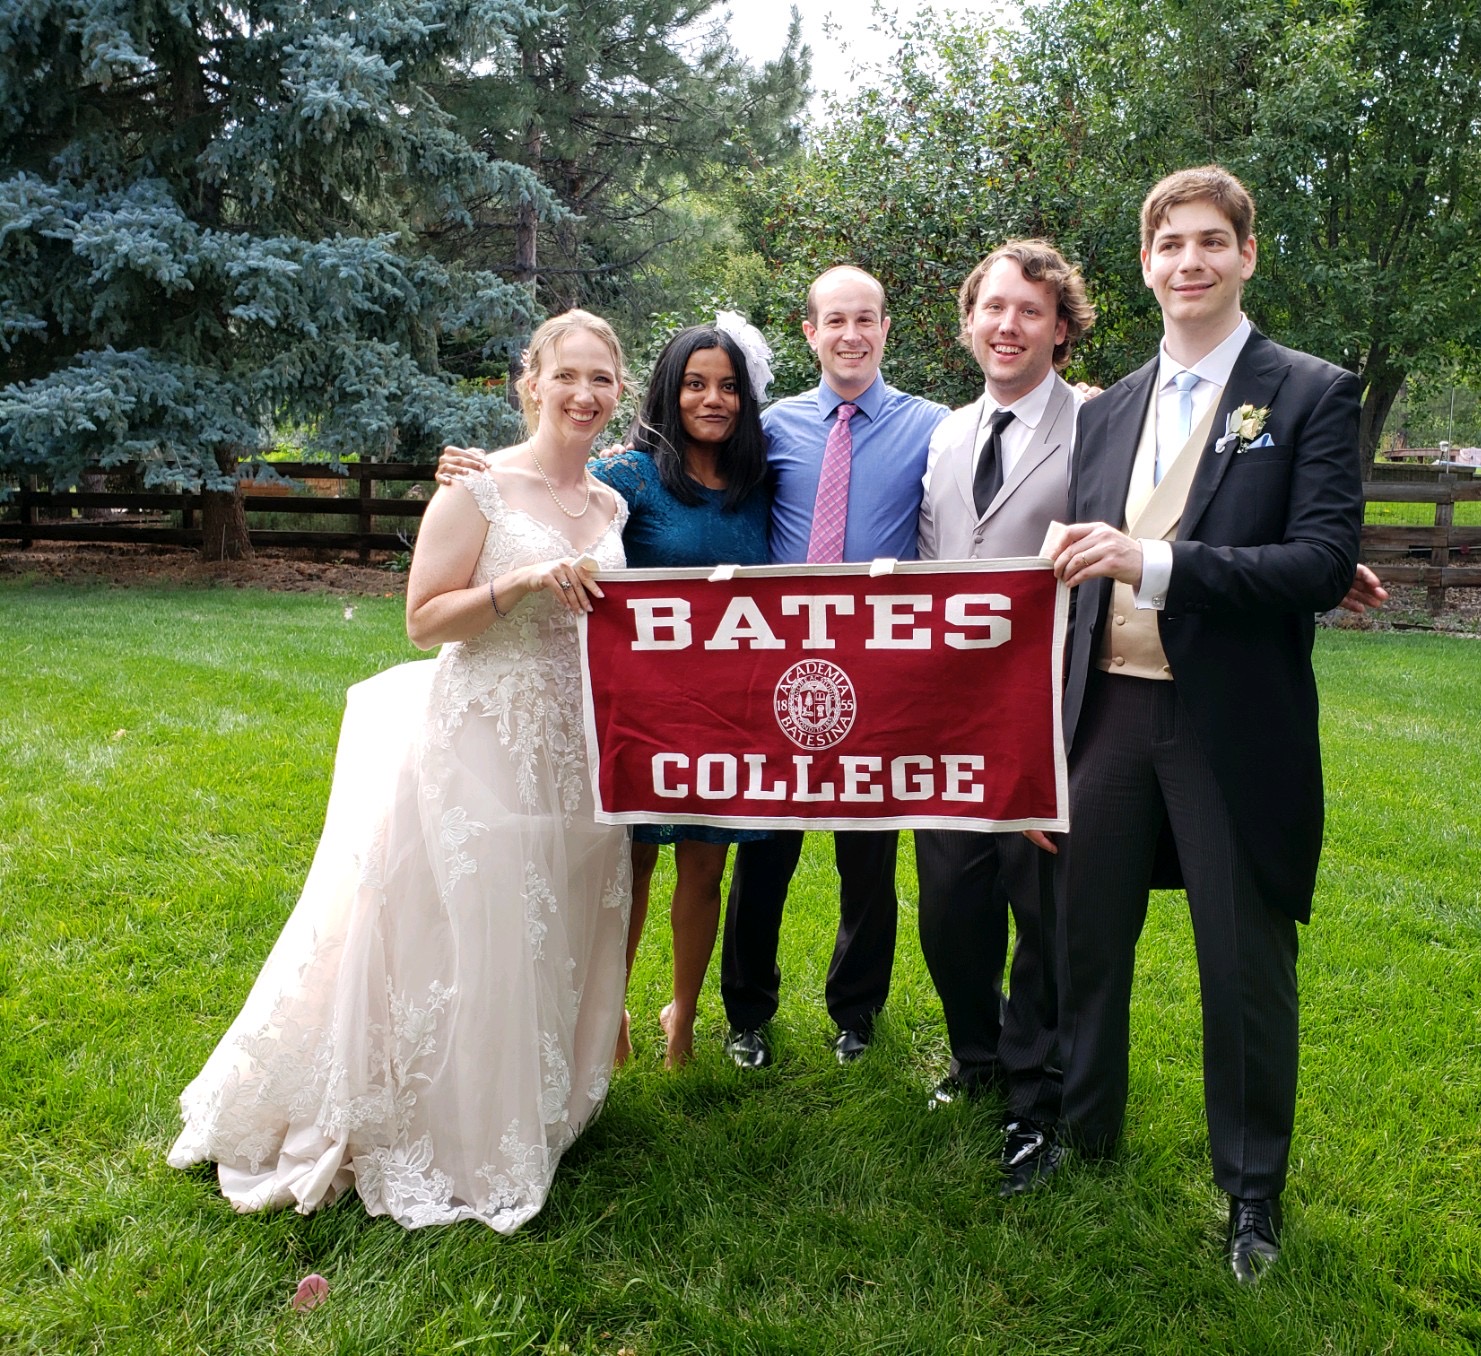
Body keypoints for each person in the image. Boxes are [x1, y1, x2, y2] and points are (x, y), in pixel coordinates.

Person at [168, 309, 633, 1233]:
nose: (583, 394)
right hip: (483, 736)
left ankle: (533, 1106)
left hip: (574, 742)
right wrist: (521, 583)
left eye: (601, 379)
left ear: (619, 392)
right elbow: (424, 620)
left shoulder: (611, 505)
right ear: (531, 382)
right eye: (566, 375)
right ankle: (448, 1126)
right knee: (479, 920)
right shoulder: (477, 489)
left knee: (548, 919)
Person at [1036, 167, 1364, 1283]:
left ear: (1246, 255)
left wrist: (1157, 561)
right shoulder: (1106, 410)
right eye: (1170, 243)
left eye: (1212, 241)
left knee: (1240, 960)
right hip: (1107, 713)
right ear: (1145, 264)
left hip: (1229, 722)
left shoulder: (1310, 393)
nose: (1191, 261)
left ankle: (1251, 1191)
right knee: (1085, 937)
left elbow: (1319, 563)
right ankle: (1084, 1131)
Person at [719, 265, 950, 1069]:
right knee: (764, 847)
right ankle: (746, 1012)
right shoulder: (770, 427)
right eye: (836, 321)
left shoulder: (934, 426)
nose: (852, 334)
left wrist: (1082, 404)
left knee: (868, 855)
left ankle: (857, 1012)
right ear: (810, 332)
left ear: (886, 328)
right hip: (781, 666)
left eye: (866, 319)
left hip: (879, 668)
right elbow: (697, 475)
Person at [913, 239, 1089, 1193]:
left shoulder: (1097, 425)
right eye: (994, 307)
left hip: (1052, 716)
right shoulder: (946, 433)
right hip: (950, 722)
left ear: (1060, 329)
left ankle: (1036, 1100)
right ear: (970, 321)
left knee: (1044, 915)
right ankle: (975, 1056)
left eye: (1030, 310)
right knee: (951, 909)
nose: (1008, 325)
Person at [591, 321, 773, 1068]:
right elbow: (549, 496)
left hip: (730, 707)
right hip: (643, 707)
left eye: (728, 386)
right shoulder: (625, 475)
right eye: (696, 384)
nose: (713, 399)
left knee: (705, 868)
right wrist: (484, 473)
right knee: (629, 867)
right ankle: (610, 1015)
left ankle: (684, 1020)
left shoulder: (762, 482)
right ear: (670, 391)